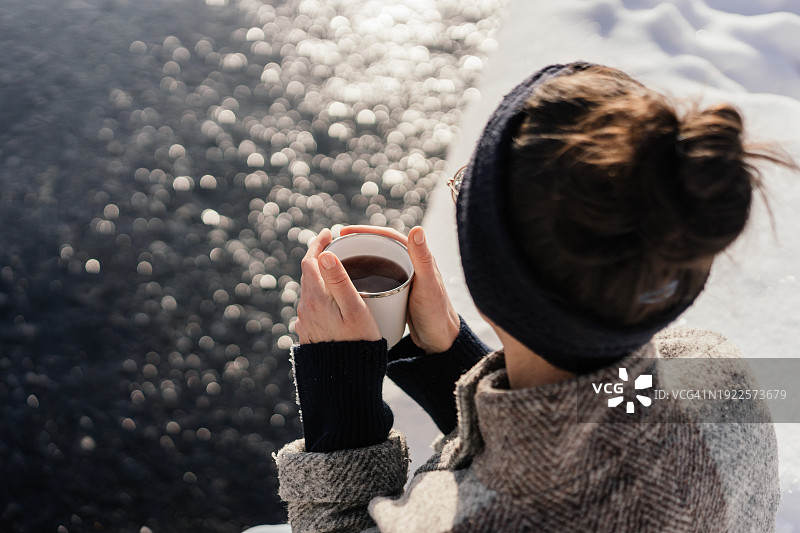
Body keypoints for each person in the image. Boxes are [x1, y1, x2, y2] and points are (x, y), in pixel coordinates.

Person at [274, 62, 792, 532]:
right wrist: (448, 355)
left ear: (493, 272)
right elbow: (572, 439)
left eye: (465, 189)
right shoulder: (716, 374)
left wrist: (338, 393)